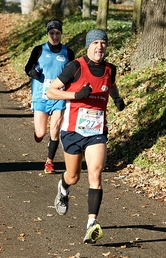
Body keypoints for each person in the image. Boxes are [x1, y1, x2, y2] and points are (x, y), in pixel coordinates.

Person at [46, 29, 125, 244]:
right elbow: (51, 91)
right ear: (89, 46)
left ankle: (91, 224)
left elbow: (111, 85)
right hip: (73, 131)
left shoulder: (110, 69)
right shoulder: (76, 67)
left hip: (97, 132)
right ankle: (63, 188)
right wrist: (75, 95)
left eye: (103, 43)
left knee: (96, 174)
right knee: (73, 177)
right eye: (96, 43)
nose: (100, 46)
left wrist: (117, 98)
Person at [24, 18, 75, 174]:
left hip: (58, 96)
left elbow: (74, 73)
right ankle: (38, 133)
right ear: (47, 34)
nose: (55, 36)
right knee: (41, 133)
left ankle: (49, 162)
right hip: (41, 96)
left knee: (55, 131)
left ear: (61, 34)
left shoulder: (68, 52)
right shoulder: (39, 50)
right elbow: (28, 67)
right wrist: (32, 72)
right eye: (52, 33)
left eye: (57, 33)